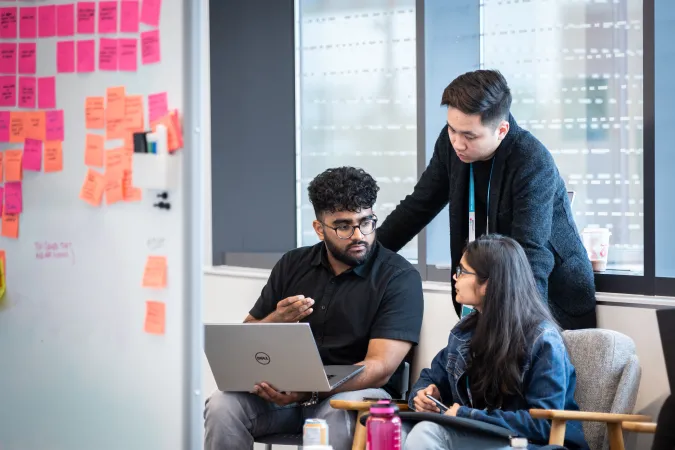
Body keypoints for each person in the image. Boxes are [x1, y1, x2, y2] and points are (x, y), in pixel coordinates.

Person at [204, 167, 424, 450]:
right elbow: (247, 340)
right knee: (222, 405)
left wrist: (308, 389)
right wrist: (277, 319)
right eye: (343, 226)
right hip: (287, 396)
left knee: (335, 414)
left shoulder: (398, 277)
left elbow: (380, 367)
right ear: (319, 229)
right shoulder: (293, 264)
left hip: (352, 396)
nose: (358, 235)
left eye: (366, 221)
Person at [377, 69, 596, 330]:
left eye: (469, 136)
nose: (457, 143)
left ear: (502, 130)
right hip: (488, 293)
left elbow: (531, 253)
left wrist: (527, 327)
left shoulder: (531, 161)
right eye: (452, 130)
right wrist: (365, 257)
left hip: (550, 300)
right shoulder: (451, 145)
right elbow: (418, 206)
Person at [403, 234, 588, 450]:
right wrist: (423, 394)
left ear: (489, 284)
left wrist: (467, 415)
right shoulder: (463, 333)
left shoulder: (543, 340)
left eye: (462, 271)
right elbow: (431, 376)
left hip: (529, 445)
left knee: (429, 433)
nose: (455, 276)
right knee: (398, 429)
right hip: (483, 438)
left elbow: (544, 423)